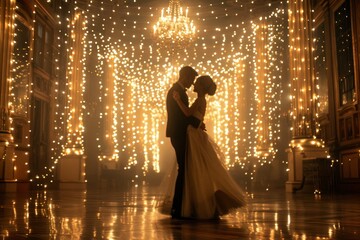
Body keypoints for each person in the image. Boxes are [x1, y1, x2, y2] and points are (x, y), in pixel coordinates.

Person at [172, 75, 246, 220]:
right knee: (197, 169)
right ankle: (196, 202)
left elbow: (187, 113)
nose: (193, 84)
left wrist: (177, 99)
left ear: (201, 87)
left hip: (194, 136)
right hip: (194, 133)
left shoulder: (200, 99)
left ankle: (197, 203)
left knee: (195, 169)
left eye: (197, 83)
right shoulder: (201, 99)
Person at [165, 66, 202, 219]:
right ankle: (178, 207)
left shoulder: (178, 91)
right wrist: (197, 123)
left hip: (178, 133)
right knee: (183, 169)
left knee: (184, 169)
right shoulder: (177, 92)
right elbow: (183, 116)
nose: (192, 83)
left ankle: (180, 206)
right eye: (191, 79)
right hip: (179, 134)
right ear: (185, 76)